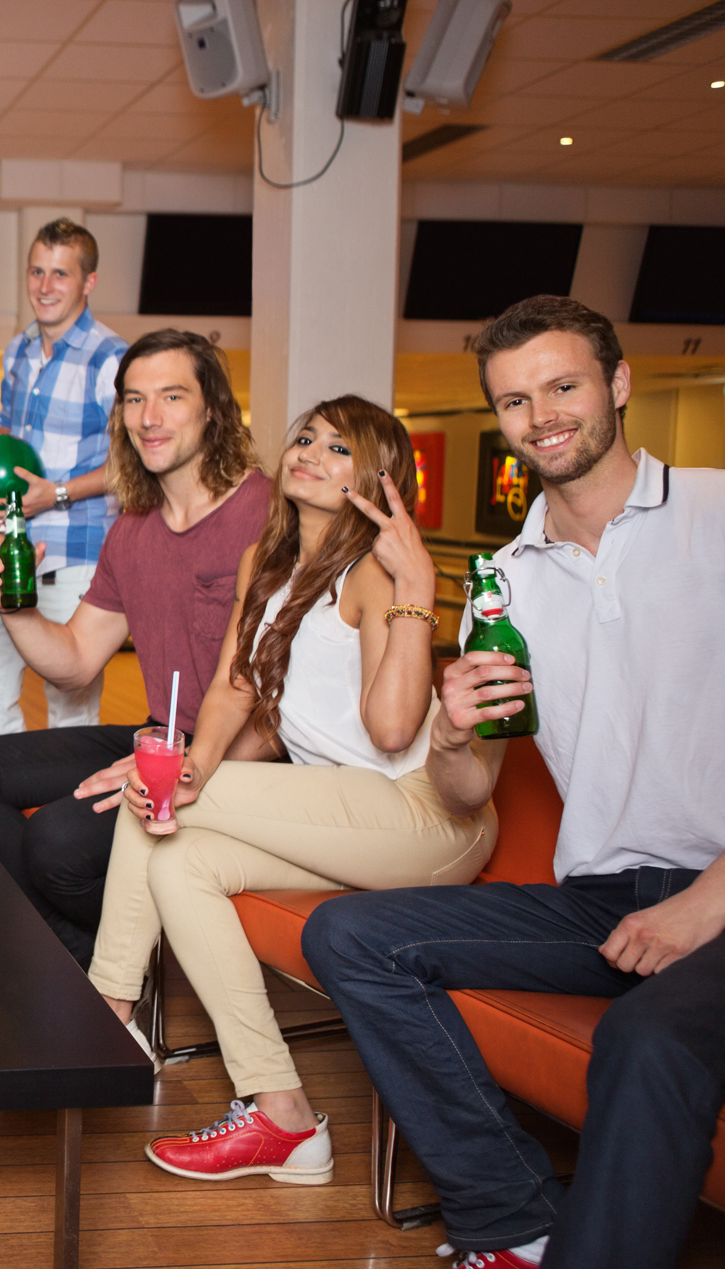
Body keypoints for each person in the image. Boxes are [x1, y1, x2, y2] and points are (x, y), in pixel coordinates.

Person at [302, 297, 725, 1269]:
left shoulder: (712, 513)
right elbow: (461, 792)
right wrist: (451, 728)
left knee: (647, 1042)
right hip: (605, 900)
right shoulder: (506, 579)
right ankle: (515, 1224)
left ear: (616, 385)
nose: (541, 416)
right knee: (351, 936)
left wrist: (709, 901)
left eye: (562, 386)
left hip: (715, 890)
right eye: (513, 401)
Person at [79, 395, 495, 1186]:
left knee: (159, 798)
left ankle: (106, 1017)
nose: (308, 451)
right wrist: (194, 760)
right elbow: (235, 686)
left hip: (428, 818)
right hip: (352, 819)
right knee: (176, 860)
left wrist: (416, 588)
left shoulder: (373, 572)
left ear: (377, 480)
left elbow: (390, 728)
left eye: (338, 449)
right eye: (304, 435)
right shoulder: (266, 565)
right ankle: (282, 1115)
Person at [0, 330, 268, 965]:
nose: (149, 417)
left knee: (56, 842)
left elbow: (282, 699)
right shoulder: (132, 531)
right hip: (160, 735)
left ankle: (121, 959)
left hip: (242, 756)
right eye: (134, 400)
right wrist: (14, 606)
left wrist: (185, 769)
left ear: (213, 409)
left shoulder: (265, 514)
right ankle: (83, 956)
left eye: (171, 396)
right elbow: (77, 658)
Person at [0, 217, 127, 738]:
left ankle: (62, 817)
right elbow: (11, 431)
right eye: (37, 271)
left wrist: (52, 495)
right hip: (14, 550)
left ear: (87, 282)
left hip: (78, 560)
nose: (45, 286)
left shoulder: (112, 359)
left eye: (60, 273)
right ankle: (17, 803)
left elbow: (134, 466)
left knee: (71, 716)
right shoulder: (19, 352)